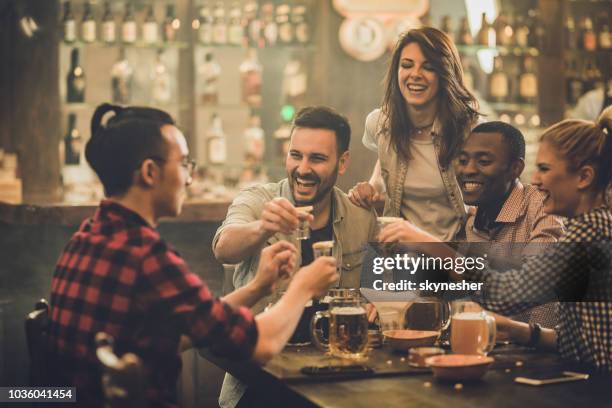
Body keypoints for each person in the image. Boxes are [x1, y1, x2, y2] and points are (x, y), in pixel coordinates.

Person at [46, 104, 339, 407]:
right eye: (184, 163)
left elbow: (193, 327)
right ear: (150, 172)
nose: (189, 179)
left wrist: (258, 288)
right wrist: (303, 286)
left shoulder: (86, 237)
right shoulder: (146, 257)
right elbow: (263, 345)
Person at [380, 107, 612, 371]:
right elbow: (580, 341)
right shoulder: (591, 226)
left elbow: (505, 293)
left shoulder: (590, 231)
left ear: (584, 177)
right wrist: (518, 331)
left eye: (545, 169)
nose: (535, 180)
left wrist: (429, 244)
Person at [213, 106, 377, 407]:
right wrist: (263, 227)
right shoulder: (259, 199)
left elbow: (384, 288)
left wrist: (379, 304)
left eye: (317, 159)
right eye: (295, 155)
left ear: (342, 163)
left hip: (338, 382)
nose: (302, 169)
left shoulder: (361, 216)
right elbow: (224, 246)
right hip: (261, 381)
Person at [348, 27, 481, 241]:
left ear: (445, 74)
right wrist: (371, 188)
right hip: (401, 257)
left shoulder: (471, 130)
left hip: (455, 255)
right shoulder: (380, 124)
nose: (415, 74)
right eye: (407, 65)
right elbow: (383, 168)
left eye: (428, 67)